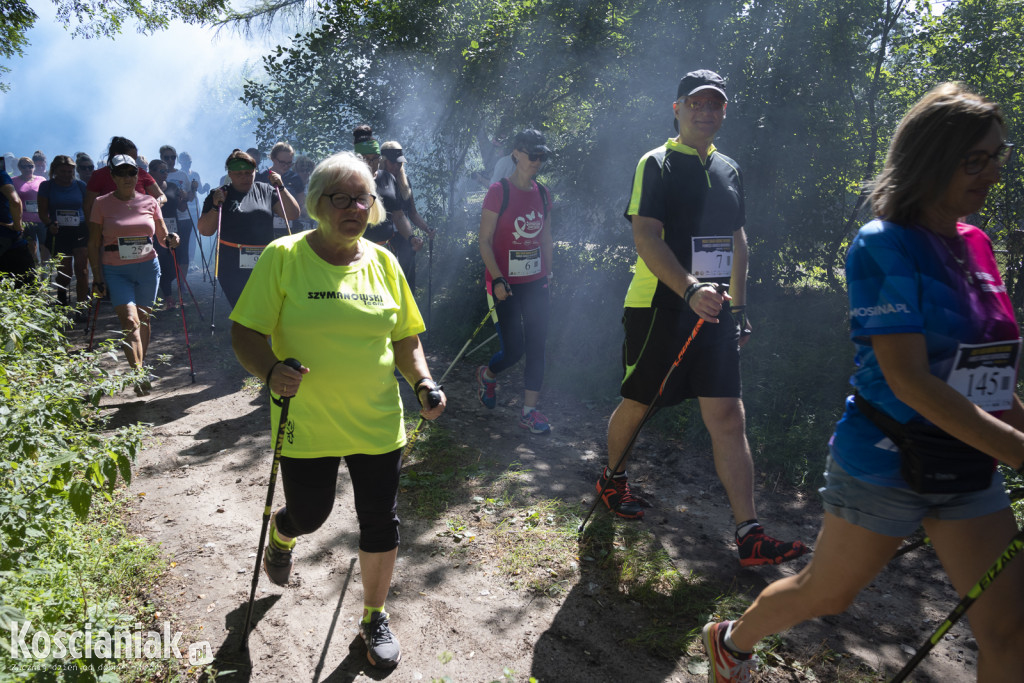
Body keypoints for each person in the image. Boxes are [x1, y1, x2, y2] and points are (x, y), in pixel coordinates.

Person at [702, 83, 1024, 682]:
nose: (992, 174)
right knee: (826, 594)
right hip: (885, 460)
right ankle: (731, 640)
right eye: (975, 159)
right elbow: (910, 382)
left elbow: (988, 376)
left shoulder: (978, 244)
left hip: (969, 465)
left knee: (1010, 631)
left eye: (998, 157)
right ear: (931, 158)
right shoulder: (884, 245)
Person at [229, 151, 445, 669]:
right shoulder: (283, 257)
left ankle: (373, 617)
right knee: (312, 513)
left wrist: (423, 382)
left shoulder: (385, 262)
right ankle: (284, 534)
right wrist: (270, 370)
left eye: (363, 198)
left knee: (380, 521)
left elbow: (406, 337)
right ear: (317, 204)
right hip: (307, 421)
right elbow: (245, 332)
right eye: (341, 198)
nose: (355, 207)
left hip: (376, 422)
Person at [600, 70, 808, 570]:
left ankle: (749, 533)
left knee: (727, 415)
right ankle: (613, 480)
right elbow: (646, 236)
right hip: (659, 304)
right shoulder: (656, 163)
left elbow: (737, 241)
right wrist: (689, 289)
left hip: (714, 310)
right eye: (696, 103)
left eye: (715, 104)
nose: (705, 112)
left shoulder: (730, 168)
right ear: (677, 107)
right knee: (640, 401)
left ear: (724, 112)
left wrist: (737, 307)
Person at [476, 128, 554, 435]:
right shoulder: (499, 191)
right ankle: (488, 373)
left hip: (536, 282)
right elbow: (484, 241)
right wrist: (497, 278)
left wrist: (550, 274)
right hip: (502, 283)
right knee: (514, 350)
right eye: (532, 155)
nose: (537, 161)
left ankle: (529, 411)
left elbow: (546, 238)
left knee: (537, 345)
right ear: (516, 154)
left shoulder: (544, 193)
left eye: (542, 156)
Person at [87, 155, 180, 396]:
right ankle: (138, 373)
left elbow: (162, 237)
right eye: (122, 173)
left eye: (131, 173)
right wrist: (97, 277)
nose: (127, 177)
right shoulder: (101, 203)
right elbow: (93, 242)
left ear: (137, 176)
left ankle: (139, 367)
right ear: (113, 177)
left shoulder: (150, 201)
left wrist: (172, 239)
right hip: (116, 270)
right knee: (130, 321)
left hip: (148, 268)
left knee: (144, 320)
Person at [196, 149, 300, 307]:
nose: (245, 177)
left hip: (263, 261)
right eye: (239, 173)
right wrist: (215, 207)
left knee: (265, 307)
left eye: (249, 172)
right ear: (230, 174)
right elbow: (205, 231)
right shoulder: (219, 194)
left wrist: (281, 187)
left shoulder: (266, 190)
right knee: (242, 308)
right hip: (231, 264)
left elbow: (292, 214)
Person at [353, 127, 421, 264]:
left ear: (380, 159)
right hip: (357, 250)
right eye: (366, 159)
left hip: (385, 249)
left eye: (374, 159)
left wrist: (411, 237)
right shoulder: (349, 181)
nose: (370, 164)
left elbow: (399, 215)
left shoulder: (388, 179)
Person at [381, 141, 434, 291]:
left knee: (407, 280)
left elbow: (412, 212)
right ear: (384, 161)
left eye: (399, 164)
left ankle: (408, 310)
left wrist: (427, 228)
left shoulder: (405, 183)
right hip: (383, 239)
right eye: (393, 163)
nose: (397, 167)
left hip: (404, 238)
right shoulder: (375, 182)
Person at [37, 155, 89, 309]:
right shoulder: (47, 186)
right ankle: (62, 298)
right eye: (63, 171)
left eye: (70, 171)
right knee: (65, 272)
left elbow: (88, 208)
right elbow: (42, 213)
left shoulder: (80, 186)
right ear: (55, 171)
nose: (67, 175)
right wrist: (49, 224)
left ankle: (82, 306)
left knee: (82, 270)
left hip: (79, 229)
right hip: (59, 231)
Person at [84, 137, 166, 225]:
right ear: (117, 155)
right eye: (130, 158)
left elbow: (161, 196)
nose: (133, 162)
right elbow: (88, 206)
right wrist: (93, 230)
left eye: (135, 159)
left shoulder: (140, 172)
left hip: (140, 230)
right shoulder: (100, 175)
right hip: (110, 231)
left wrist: (155, 204)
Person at [148, 159, 190, 310]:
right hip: (156, 231)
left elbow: (182, 208)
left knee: (175, 262)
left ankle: (164, 289)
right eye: (162, 171)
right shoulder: (147, 189)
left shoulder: (172, 186)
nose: (166, 173)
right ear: (151, 172)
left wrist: (183, 197)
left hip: (174, 230)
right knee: (163, 262)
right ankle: (168, 297)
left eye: (166, 171)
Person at [158, 146, 196, 289]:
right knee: (164, 251)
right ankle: (164, 284)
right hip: (165, 219)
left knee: (183, 251)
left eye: (173, 157)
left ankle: (182, 284)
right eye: (166, 157)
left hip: (183, 218)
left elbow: (190, 198)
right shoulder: (157, 174)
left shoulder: (182, 175)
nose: (170, 160)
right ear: (161, 158)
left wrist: (191, 190)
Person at [257, 141, 306, 238]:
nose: (285, 166)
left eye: (289, 163)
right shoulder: (261, 177)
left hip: (291, 229)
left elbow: (301, 203)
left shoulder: (295, 178)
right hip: (266, 229)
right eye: (282, 162)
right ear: (273, 158)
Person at [13, 156, 48, 265]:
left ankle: (45, 272)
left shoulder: (41, 179)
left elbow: (47, 197)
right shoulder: (14, 181)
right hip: (26, 219)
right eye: (24, 167)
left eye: (30, 166)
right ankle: (34, 271)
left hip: (41, 217)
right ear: (19, 168)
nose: (28, 169)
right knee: (31, 246)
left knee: (44, 245)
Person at [0, 166, 32, 283]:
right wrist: (17, 226)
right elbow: (15, 201)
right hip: (9, 239)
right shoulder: (1, 175)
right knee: (26, 285)